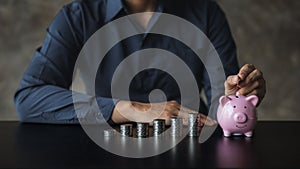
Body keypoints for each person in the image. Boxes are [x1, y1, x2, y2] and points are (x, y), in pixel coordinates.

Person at [14, 0, 266, 126]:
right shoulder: (77, 16)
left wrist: (236, 101)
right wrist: (128, 108)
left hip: (190, 149)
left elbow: (218, 115)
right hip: (102, 150)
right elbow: (29, 98)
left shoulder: (206, 12)